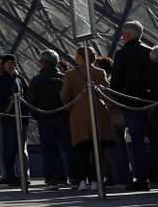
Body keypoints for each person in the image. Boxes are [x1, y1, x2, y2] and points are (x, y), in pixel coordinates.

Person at [63, 46, 114, 192]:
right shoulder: (100, 72)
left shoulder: (70, 74)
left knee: (81, 150)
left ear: (79, 57)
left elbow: (64, 97)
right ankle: (96, 180)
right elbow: (107, 95)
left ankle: (82, 181)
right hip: (99, 114)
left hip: (78, 117)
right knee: (98, 150)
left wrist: (73, 111)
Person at [112, 20, 154, 191]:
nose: (121, 36)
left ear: (128, 35)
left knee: (136, 142)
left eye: (123, 33)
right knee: (154, 140)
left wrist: (119, 102)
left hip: (130, 104)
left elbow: (115, 83)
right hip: (151, 103)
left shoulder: (121, 55)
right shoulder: (150, 52)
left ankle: (142, 179)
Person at [28, 49, 73, 189]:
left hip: (45, 119)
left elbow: (31, 102)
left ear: (44, 63)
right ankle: (74, 177)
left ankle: (52, 179)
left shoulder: (37, 80)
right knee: (68, 149)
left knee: (48, 150)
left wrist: (38, 116)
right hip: (64, 118)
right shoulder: (65, 78)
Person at [0, 54, 30, 186]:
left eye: (12, 63)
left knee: (17, 148)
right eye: (6, 63)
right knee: (9, 148)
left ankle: (19, 175)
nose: (9, 65)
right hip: (7, 118)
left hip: (16, 118)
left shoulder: (18, 79)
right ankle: (11, 175)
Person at [96, 56, 133, 187]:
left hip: (112, 118)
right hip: (121, 118)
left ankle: (119, 178)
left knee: (114, 150)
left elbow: (109, 102)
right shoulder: (116, 79)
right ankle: (125, 176)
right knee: (121, 149)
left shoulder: (107, 83)